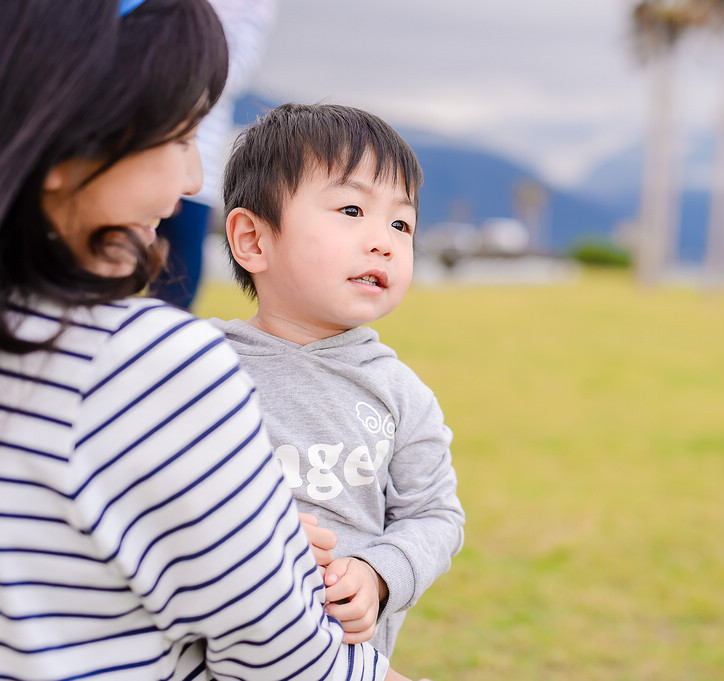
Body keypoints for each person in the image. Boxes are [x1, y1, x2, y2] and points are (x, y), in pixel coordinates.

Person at [0, 2, 414, 679]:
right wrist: (266, 553)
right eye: (182, 136)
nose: (193, 181)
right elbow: (290, 661)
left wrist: (254, 530)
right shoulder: (155, 368)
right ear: (68, 139)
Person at [214, 103, 466, 657]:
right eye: (352, 209)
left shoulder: (400, 394)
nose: (384, 241)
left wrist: (378, 573)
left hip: (339, 659)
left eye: (401, 223)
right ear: (253, 240)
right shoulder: (198, 369)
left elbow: (435, 515)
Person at [148, 0, 278, 310]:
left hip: (201, 155)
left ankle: (166, 348)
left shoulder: (253, 6)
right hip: (130, 144)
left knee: (178, 281)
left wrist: (166, 68)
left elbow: (235, 70)